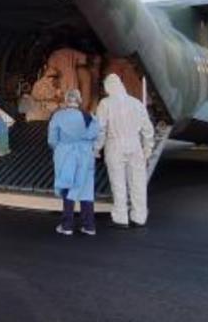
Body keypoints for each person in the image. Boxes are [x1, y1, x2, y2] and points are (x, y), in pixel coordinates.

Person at [95, 73, 155, 229]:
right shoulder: (136, 103)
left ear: (108, 87)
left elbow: (100, 129)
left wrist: (96, 149)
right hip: (135, 145)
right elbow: (148, 129)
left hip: (114, 145)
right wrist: (148, 149)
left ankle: (121, 218)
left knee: (118, 183)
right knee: (138, 183)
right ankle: (139, 217)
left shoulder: (105, 104)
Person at [48, 89, 100, 235]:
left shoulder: (59, 116)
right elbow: (96, 134)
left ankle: (67, 225)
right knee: (86, 188)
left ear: (66, 100)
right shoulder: (89, 116)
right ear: (79, 100)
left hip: (67, 155)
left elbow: (52, 139)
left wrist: (57, 148)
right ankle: (89, 226)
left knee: (68, 186)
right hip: (86, 155)